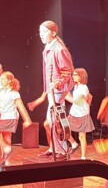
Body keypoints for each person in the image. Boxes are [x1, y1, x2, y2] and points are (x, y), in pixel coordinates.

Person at [28, 20, 74, 159]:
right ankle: (54, 147)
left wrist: (58, 83)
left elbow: (67, 71)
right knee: (51, 119)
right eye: (40, 32)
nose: (41, 34)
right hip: (52, 89)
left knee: (55, 119)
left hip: (58, 89)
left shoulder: (59, 49)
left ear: (53, 33)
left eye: (44, 31)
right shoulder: (48, 48)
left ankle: (62, 150)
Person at [0, 71, 33, 166]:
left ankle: (6, 148)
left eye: (3, 79)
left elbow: (21, 107)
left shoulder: (14, 93)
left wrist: (27, 120)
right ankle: (7, 161)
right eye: (0, 79)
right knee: (7, 139)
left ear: (9, 80)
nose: (1, 81)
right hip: (4, 117)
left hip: (10, 118)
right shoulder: (1, 91)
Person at [65, 68, 95, 159]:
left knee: (82, 136)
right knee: (64, 128)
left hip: (82, 114)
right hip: (73, 113)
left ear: (81, 76)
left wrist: (65, 96)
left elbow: (76, 101)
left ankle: (83, 157)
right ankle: (74, 144)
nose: (73, 77)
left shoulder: (84, 88)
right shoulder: (76, 86)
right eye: (73, 75)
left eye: (75, 75)